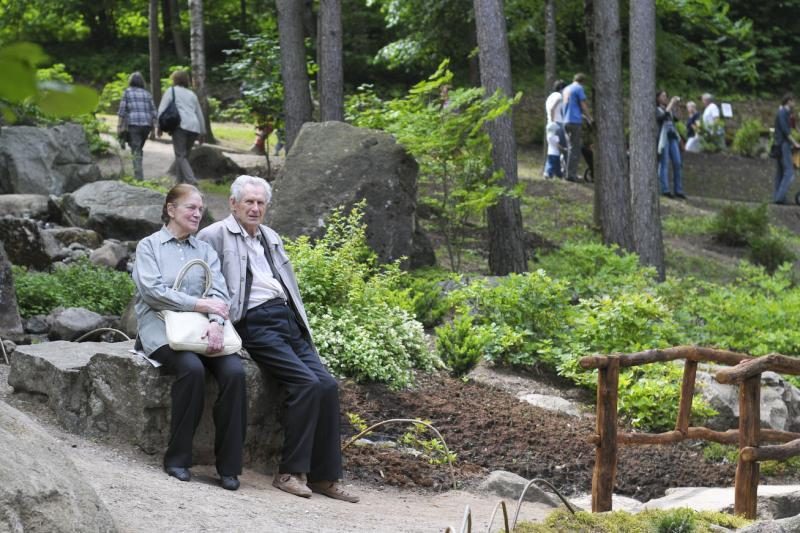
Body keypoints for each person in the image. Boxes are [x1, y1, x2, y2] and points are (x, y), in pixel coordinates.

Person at [198, 175, 359, 504]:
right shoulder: (214, 235)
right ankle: (288, 472)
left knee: (327, 385)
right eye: (249, 202)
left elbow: (286, 284)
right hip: (254, 323)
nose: (255, 208)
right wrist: (215, 320)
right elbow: (203, 281)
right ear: (233, 204)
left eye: (260, 203)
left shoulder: (270, 237)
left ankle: (324, 476)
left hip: (286, 319)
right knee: (306, 384)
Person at [132, 184, 246, 491]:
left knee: (235, 372)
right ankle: (178, 458)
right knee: (192, 369)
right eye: (190, 208)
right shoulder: (149, 246)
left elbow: (219, 293)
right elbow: (153, 293)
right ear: (171, 209)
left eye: (200, 209)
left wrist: (215, 323)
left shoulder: (205, 250)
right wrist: (199, 304)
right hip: (161, 329)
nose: (198, 214)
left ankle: (229, 467)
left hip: (200, 329)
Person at [157, 70, 206, 185]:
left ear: (174, 79)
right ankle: (179, 183)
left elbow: (161, 109)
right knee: (183, 156)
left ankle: (191, 180)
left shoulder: (171, 91)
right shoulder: (192, 94)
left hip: (180, 126)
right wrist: (203, 132)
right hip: (194, 127)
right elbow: (199, 113)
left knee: (180, 155)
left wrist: (158, 126)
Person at [117, 72, 157, 180]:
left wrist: (119, 126)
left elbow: (122, 111)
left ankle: (139, 179)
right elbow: (153, 112)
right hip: (146, 126)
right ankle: (138, 174)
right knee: (138, 148)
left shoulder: (127, 92)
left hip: (134, 124)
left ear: (131, 81)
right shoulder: (147, 94)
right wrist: (153, 131)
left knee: (136, 150)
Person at [562, 73, 593, 182]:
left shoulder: (566, 89)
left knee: (570, 147)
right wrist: (589, 118)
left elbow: (570, 106)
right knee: (575, 149)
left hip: (566, 121)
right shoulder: (578, 88)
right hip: (575, 122)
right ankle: (571, 175)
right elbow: (582, 104)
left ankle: (567, 172)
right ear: (582, 82)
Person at [656, 90, 686, 200]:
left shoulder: (669, 108)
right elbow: (662, 117)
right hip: (663, 138)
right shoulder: (657, 109)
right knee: (664, 163)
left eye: (666, 96)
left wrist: (677, 106)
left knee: (677, 162)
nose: (665, 98)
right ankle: (665, 189)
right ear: (658, 98)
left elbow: (678, 118)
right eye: (663, 96)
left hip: (673, 136)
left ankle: (678, 190)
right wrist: (671, 103)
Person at [772, 93, 800, 205]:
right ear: (788, 101)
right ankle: (780, 197)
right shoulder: (783, 113)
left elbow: (793, 127)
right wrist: (796, 143)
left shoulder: (786, 113)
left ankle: (777, 197)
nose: (794, 103)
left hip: (778, 144)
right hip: (783, 145)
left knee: (780, 172)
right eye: (793, 101)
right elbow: (786, 131)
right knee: (789, 172)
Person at [545, 79, 567, 166]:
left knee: (554, 147)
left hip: (550, 123)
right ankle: (564, 169)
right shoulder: (559, 96)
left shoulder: (550, 96)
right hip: (557, 123)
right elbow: (552, 108)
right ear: (562, 88)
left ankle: (554, 169)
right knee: (564, 147)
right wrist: (553, 121)